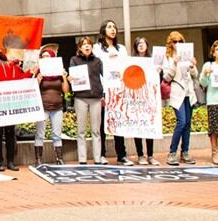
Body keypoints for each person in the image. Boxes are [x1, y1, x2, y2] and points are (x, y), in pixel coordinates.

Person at [0, 46, 35, 171]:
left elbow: (22, 80)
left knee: (10, 132)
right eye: (12, 53)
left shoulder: (16, 68)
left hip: (11, 104)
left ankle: (11, 161)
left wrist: (31, 73)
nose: (14, 56)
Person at [93, 20, 130, 164]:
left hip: (119, 90)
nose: (112, 29)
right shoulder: (97, 48)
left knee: (117, 123)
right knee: (102, 123)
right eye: (109, 27)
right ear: (103, 30)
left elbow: (126, 67)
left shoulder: (121, 49)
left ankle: (121, 155)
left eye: (114, 27)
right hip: (104, 89)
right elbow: (96, 70)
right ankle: (102, 154)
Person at [163, 31, 198, 166]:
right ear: (170, 43)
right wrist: (174, 64)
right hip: (177, 93)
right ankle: (172, 153)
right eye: (175, 41)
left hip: (189, 93)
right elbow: (166, 77)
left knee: (188, 123)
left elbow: (195, 75)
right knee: (181, 122)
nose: (177, 44)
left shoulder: (188, 56)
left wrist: (193, 65)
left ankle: (185, 153)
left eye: (180, 41)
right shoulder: (168, 57)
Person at [68, 37, 105, 164]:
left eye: (89, 44)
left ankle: (97, 158)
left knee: (96, 130)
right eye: (84, 45)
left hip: (96, 98)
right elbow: (72, 75)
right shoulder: (74, 60)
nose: (87, 46)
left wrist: (104, 94)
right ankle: (82, 159)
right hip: (80, 97)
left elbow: (105, 77)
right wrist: (71, 78)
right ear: (79, 48)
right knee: (81, 130)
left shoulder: (98, 61)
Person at [35, 47, 67, 166]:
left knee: (56, 134)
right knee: (40, 133)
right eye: (43, 57)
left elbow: (66, 90)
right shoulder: (39, 72)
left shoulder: (59, 72)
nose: (46, 59)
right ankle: (38, 159)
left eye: (48, 56)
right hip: (42, 107)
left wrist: (64, 77)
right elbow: (33, 91)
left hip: (57, 107)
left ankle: (59, 158)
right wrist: (38, 80)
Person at [131, 36, 159, 165]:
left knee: (149, 125)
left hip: (150, 97)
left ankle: (151, 155)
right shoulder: (131, 61)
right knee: (137, 126)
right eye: (138, 43)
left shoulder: (153, 61)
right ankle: (140, 155)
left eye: (143, 43)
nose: (141, 45)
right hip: (136, 97)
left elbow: (159, 80)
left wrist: (159, 71)